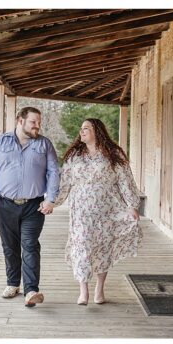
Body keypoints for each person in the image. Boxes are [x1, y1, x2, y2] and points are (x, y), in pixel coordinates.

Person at [54, 118, 141, 305]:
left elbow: (126, 180)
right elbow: (66, 182)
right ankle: (83, 291)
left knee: (103, 247)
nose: (81, 131)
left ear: (97, 131)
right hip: (80, 211)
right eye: (81, 128)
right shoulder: (74, 155)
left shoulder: (113, 153)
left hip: (107, 209)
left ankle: (99, 289)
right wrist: (54, 202)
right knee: (82, 246)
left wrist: (132, 205)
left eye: (86, 128)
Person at [0, 106, 60, 306]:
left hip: (34, 206)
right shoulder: (0, 142)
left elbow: (53, 172)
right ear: (20, 121)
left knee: (30, 245)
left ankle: (32, 290)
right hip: (5, 204)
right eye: (33, 122)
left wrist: (50, 199)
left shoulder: (44, 144)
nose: (37, 126)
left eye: (39, 122)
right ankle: (13, 283)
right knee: (10, 246)